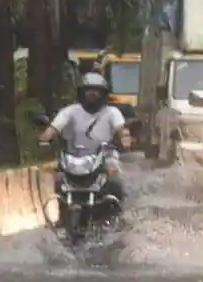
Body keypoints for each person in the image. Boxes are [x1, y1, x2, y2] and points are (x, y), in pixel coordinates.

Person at [38, 71, 133, 203]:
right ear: (81, 92)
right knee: (58, 178)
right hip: (73, 157)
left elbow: (122, 130)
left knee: (114, 174)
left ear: (103, 93)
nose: (92, 94)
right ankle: (62, 207)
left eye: (96, 91)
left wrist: (125, 140)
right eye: (88, 90)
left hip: (105, 155)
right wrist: (44, 139)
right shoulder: (70, 111)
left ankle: (116, 207)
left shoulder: (112, 112)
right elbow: (54, 128)